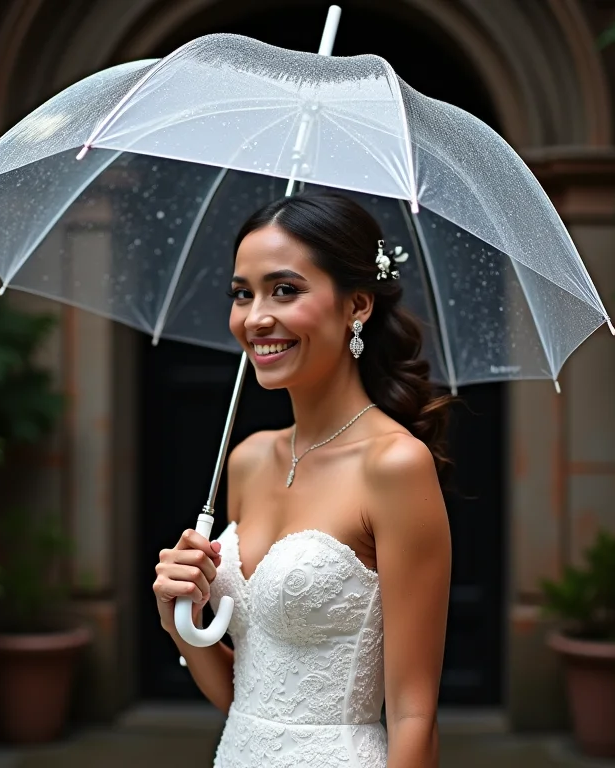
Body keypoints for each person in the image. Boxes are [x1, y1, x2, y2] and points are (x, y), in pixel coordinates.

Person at [153, 191, 452, 768]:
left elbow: (415, 714)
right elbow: (250, 698)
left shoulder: (394, 466)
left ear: (357, 305)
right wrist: (176, 617)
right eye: (243, 294)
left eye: (284, 290)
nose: (256, 316)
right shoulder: (246, 460)